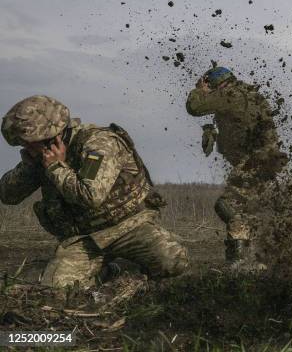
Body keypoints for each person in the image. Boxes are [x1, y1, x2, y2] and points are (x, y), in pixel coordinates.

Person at [0, 95, 189, 288]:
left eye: (31, 144)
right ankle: (108, 271)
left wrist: (56, 168)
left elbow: (91, 195)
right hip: (84, 239)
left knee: (172, 261)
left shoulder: (98, 144)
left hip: (129, 227)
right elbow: (7, 196)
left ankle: (129, 267)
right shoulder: (44, 155)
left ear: (54, 136)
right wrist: (30, 167)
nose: (28, 148)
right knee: (57, 287)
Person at [186, 66, 288, 267]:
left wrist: (199, 90)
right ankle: (265, 260)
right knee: (252, 211)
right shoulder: (249, 94)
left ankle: (238, 263)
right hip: (264, 163)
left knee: (229, 206)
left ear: (217, 84)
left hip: (255, 164)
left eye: (211, 87)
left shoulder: (229, 94)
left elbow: (195, 107)